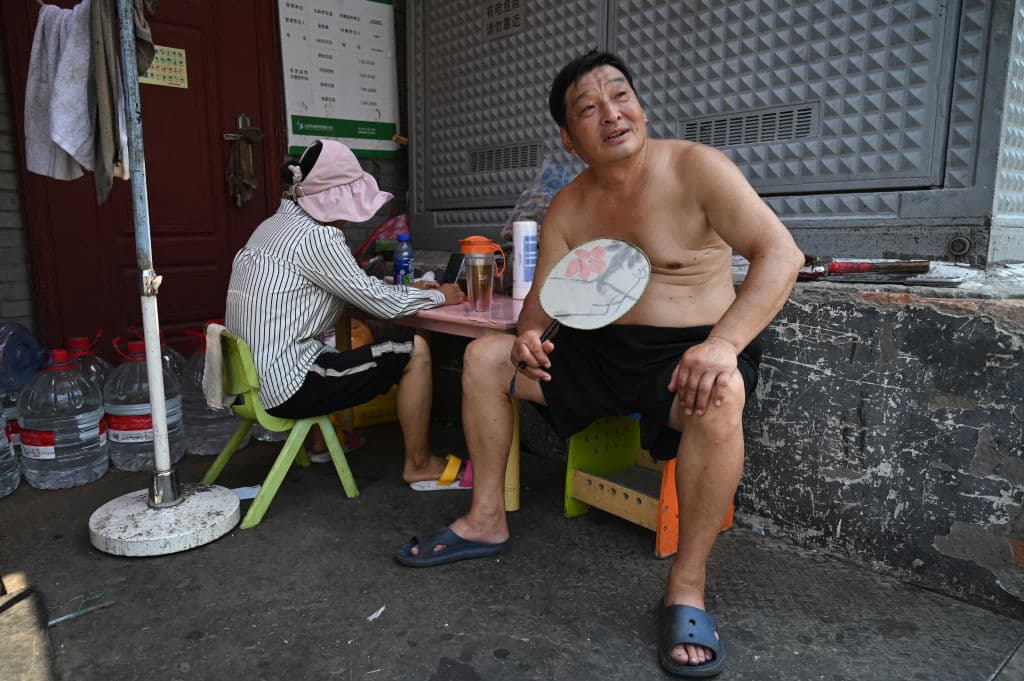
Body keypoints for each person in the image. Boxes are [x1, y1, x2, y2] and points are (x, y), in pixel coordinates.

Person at [393, 50, 805, 677]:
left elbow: (782, 254)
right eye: (588, 108)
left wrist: (724, 344)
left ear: (640, 107)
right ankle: (485, 520)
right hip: (599, 351)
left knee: (722, 393)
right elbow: (537, 312)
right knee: (484, 357)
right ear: (569, 137)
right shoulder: (569, 205)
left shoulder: (698, 169)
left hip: (689, 348)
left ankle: (687, 587)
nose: (611, 113)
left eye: (620, 95)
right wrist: (529, 339)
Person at [226, 139, 470, 489]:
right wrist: (439, 296)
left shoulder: (270, 227)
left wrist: (407, 290)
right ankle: (419, 465)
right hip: (286, 387)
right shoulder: (318, 238)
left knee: (325, 346)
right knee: (414, 350)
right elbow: (381, 305)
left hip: (248, 384)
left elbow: (353, 285)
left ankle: (320, 442)